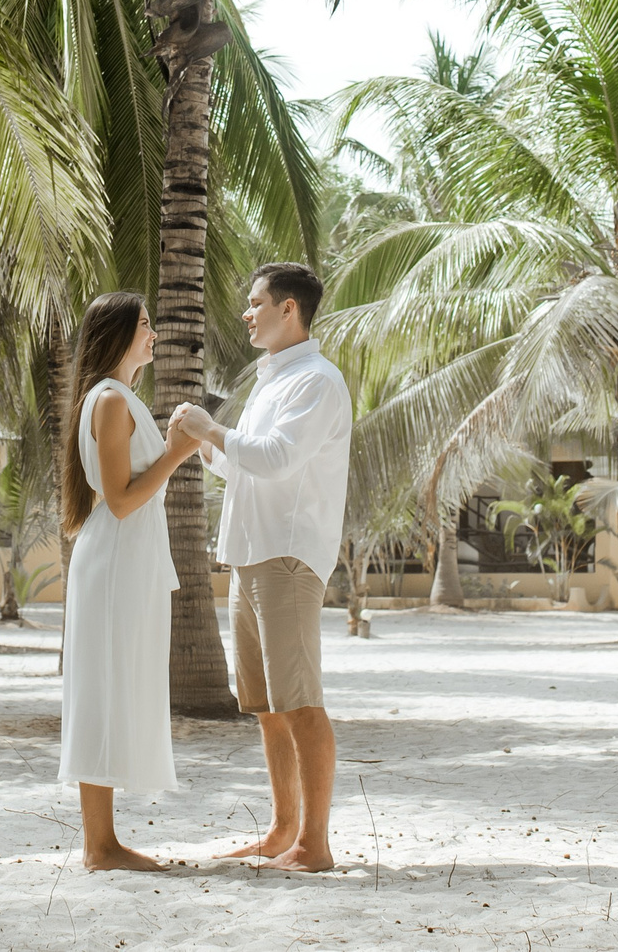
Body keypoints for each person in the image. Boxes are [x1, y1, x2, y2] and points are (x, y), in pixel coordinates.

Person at [169, 262, 351, 873]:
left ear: (289, 309)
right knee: (267, 705)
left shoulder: (318, 382)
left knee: (299, 701)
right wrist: (206, 442)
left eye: (255, 303)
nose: (246, 313)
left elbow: (275, 460)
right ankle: (282, 831)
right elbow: (246, 466)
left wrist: (213, 428)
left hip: (288, 556)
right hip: (249, 553)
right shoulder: (275, 380)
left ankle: (315, 845)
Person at [57, 291, 204, 872]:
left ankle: (103, 843)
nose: (155, 333)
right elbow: (120, 501)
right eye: (145, 324)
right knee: (103, 691)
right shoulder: (112, 400)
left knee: (111, 689)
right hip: (115, 560)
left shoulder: (117, 398)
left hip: (124, 560)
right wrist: (177, 453)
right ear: (118, 334)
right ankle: (100, 846)